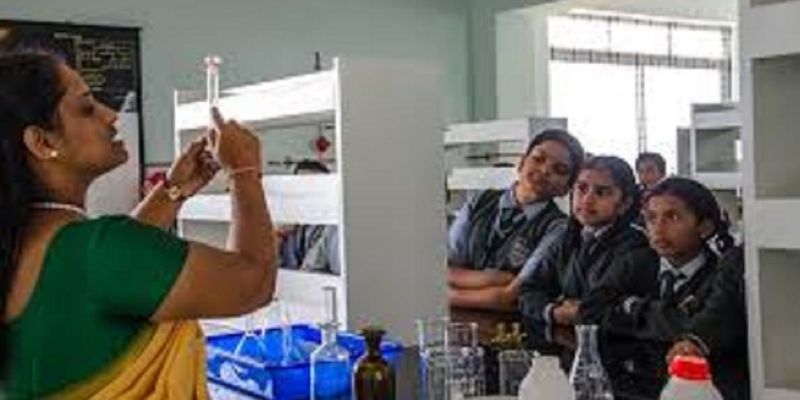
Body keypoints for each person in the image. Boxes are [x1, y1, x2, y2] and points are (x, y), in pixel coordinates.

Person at [0, 52, 277, 398]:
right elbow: (253, 281)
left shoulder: (25, 241)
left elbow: (116, 271)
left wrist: (172, 191)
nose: (111, 115)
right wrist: (244, 171)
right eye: (87, 108)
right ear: (42, 142)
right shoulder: (97, 251)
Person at [581, 177, 738, 347]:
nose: (658, 228)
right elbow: (590, 311)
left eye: (673, 217)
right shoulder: (635, 262)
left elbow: (694, 329)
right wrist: (664, 314)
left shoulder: (720, 274)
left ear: (705, 227)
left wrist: (629, 306)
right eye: (651, 218)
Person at [448, 129, 584, 311]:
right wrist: (498, 279)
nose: (545, 170)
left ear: (566, 188)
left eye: (559, 170)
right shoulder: (479, 201)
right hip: (455, 317)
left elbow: (511, 296)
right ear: (521, 163)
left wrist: (449, 294)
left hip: (514, 325)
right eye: (538, 159)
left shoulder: (559, 227)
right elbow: (445, 272)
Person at [519, 156, 648, 332]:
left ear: (624, 204)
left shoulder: (636, 247)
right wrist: (553, 311)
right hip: (567, 338)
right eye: (581, 188)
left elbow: (600, 308)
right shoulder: (567, 238)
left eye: (601, 192)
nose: (587, 200)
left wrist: (574, 308)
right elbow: (528, 290)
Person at [278, 160, 339, 274]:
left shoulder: (334, 228)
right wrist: (279, 236)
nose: (307, 194)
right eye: (301, 187)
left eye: (315, 187)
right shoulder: (286, 225)